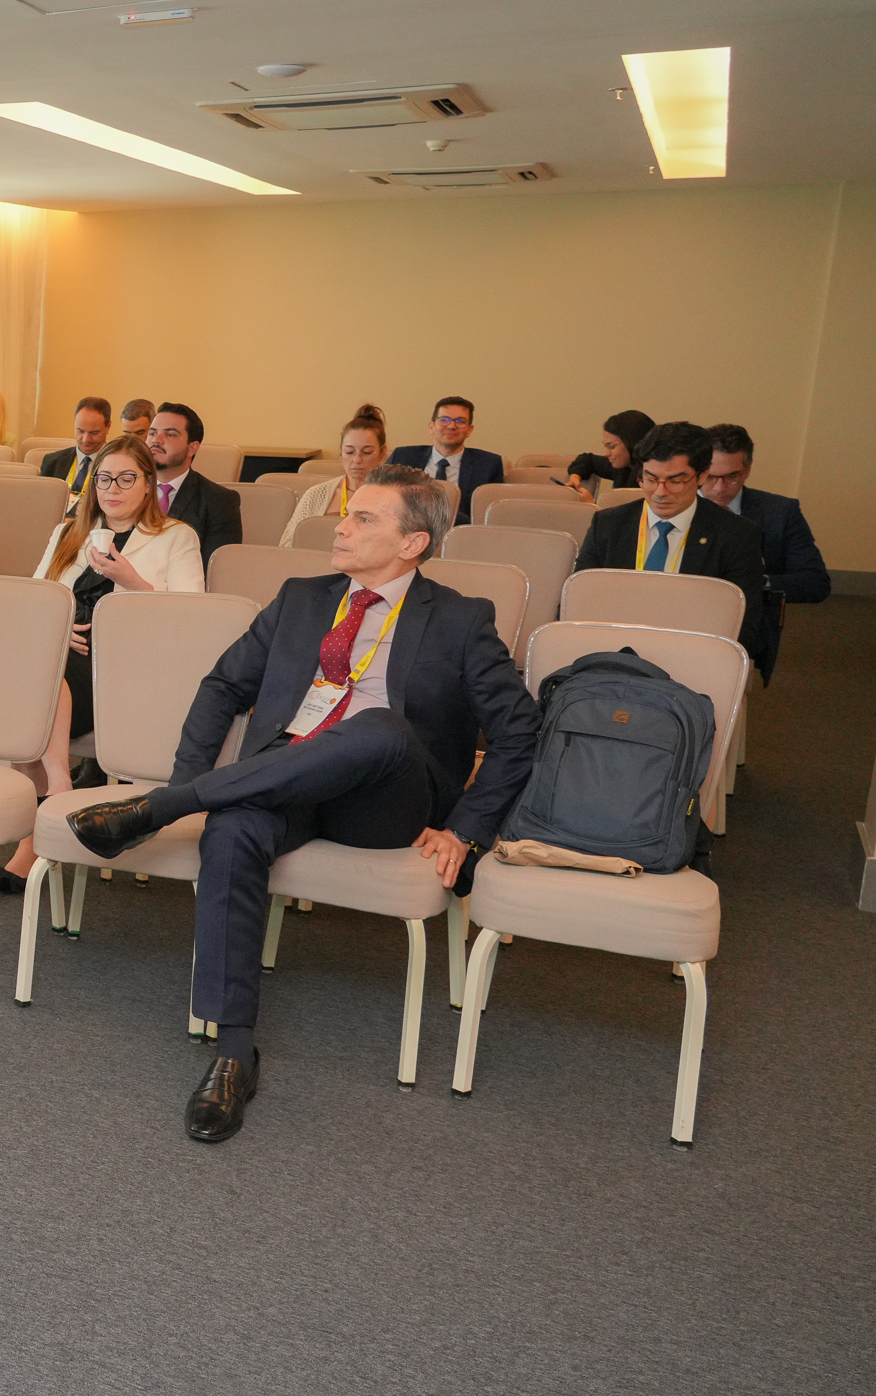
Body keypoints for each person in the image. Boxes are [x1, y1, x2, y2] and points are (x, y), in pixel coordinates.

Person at [62, 464, 537, 1144]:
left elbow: (522, 731)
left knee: (376, 727)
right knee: (231, 827)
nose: (341, 525)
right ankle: (233, 1051)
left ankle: (161, 808)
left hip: (385, 800)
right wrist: (198, 770)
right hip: (283, 780)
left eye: (365, 518)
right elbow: (223, 685)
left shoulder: (460, 619)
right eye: (346, 513)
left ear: (413, 544)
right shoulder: (301, 597)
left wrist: (466, 829)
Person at [0, 434, 203, 887]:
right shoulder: (67, 533)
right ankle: (54, 801)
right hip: (60, 657)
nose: (113, 487)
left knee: (38, 683)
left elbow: (192, 623)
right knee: (32, 675)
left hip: (127, 670)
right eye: (104, 478)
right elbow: (36, 599)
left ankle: (49, 808)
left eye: (127, 478)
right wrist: (56, 626)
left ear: (148, 484)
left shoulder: (176, 537)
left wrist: (129, 580)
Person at [573, 421, 769, 669]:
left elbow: (744, 624)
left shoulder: (736, 535)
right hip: (611, 655)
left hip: (692, 661)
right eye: (651, 479)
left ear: (703, 475)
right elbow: (577, 601)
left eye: (676, 481)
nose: (660, 493)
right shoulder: (609, 525)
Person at [703, 424, 829, 603]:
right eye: (710, 476)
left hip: (753, 621)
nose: (719, 488)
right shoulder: (674, 508)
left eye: (732, 477)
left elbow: (816, 583)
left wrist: (755, 583)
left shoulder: (780, 512)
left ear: (747, 470)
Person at [146, 401, 242, 563]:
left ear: (192, 448)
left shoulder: (219, 501)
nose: (157, 440)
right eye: (152, 433)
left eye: (170, 434)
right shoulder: (124, 487)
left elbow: (216, 569)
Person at [280, 405, 390, 545]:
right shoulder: (316, 494)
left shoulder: (395, 498)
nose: (357, 460)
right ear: (340, 452)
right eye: (349, 452)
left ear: (382, 452)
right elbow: (287, 544)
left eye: (367, 452)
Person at [387, 396, 504, 525]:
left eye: (460, 421)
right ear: (431, 426)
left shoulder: (488, 464)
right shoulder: (402, 457)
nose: (451, 426)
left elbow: (490, 517)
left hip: (460, 536)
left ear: (469, 430)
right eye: (444, 420)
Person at [565, 409, 655, 499]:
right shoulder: (624, 467)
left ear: (632, 443)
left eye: (611, 446)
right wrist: (575, 477)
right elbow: (587, 460)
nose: (606, 454)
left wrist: (590, 504)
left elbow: (628, 512)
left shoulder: (650, 477)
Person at [36, 396, 112, 495]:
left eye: (94, 433)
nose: (86, 439)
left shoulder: (117, 464)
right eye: (80, 431)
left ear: (108, 427)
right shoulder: (52, 462)